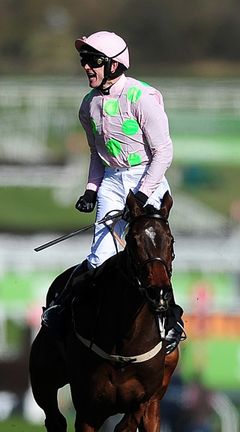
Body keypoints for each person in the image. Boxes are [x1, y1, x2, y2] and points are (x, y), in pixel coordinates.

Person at [41, 31, 185, 352]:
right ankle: (63, 309)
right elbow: (97, 154)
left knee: (150, 257)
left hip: (148, 178)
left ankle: (171, 322)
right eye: (84, 61)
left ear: (115, 65)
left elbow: (163, 152)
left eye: (93, 61)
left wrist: (143, 194)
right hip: (112, 181)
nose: (87, 67)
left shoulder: (142, 98)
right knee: (100, 258)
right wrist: (91, 189)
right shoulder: (88, 107)